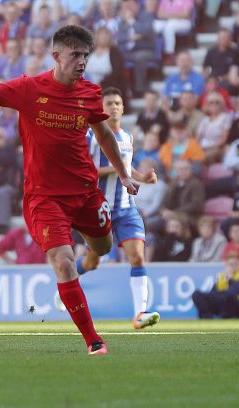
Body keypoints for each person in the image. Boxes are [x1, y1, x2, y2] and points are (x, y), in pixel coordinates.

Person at [0, 25, 140, 355]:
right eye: (75, 55)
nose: (82, 61)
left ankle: (93, 256)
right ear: (57, 56)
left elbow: (103, 136)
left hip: (86, 193)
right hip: (45, 198)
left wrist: (124, 175)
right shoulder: (29, 89)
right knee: (64, 263)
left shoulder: (89, 93)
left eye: (85, 55)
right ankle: (93, 340)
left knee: (102, 245)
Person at [66, 87, 161, 329]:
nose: (114, 107)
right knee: (92, 262)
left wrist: (143, 178)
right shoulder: (91, 135)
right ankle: (67, 280)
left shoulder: (127, 137)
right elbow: (83, 170)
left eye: (118, 103)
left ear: (123, 107)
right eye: (109, 103)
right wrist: (120, 171)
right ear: (101, 108)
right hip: (99, 210)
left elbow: (128, 167)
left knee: (137, 256)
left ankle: (140, 314)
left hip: (127, 208)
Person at [191, 253, 239, 319]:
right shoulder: (221, 276)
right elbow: (212, 293)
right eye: (230, 264)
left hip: (237, 307)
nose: (233, 266)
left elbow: (234, 291)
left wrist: (229, 279)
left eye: (236, 264)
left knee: (227, 295)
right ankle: (206, 318)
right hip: (221, 303)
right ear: (226, 265)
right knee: (197, 294)